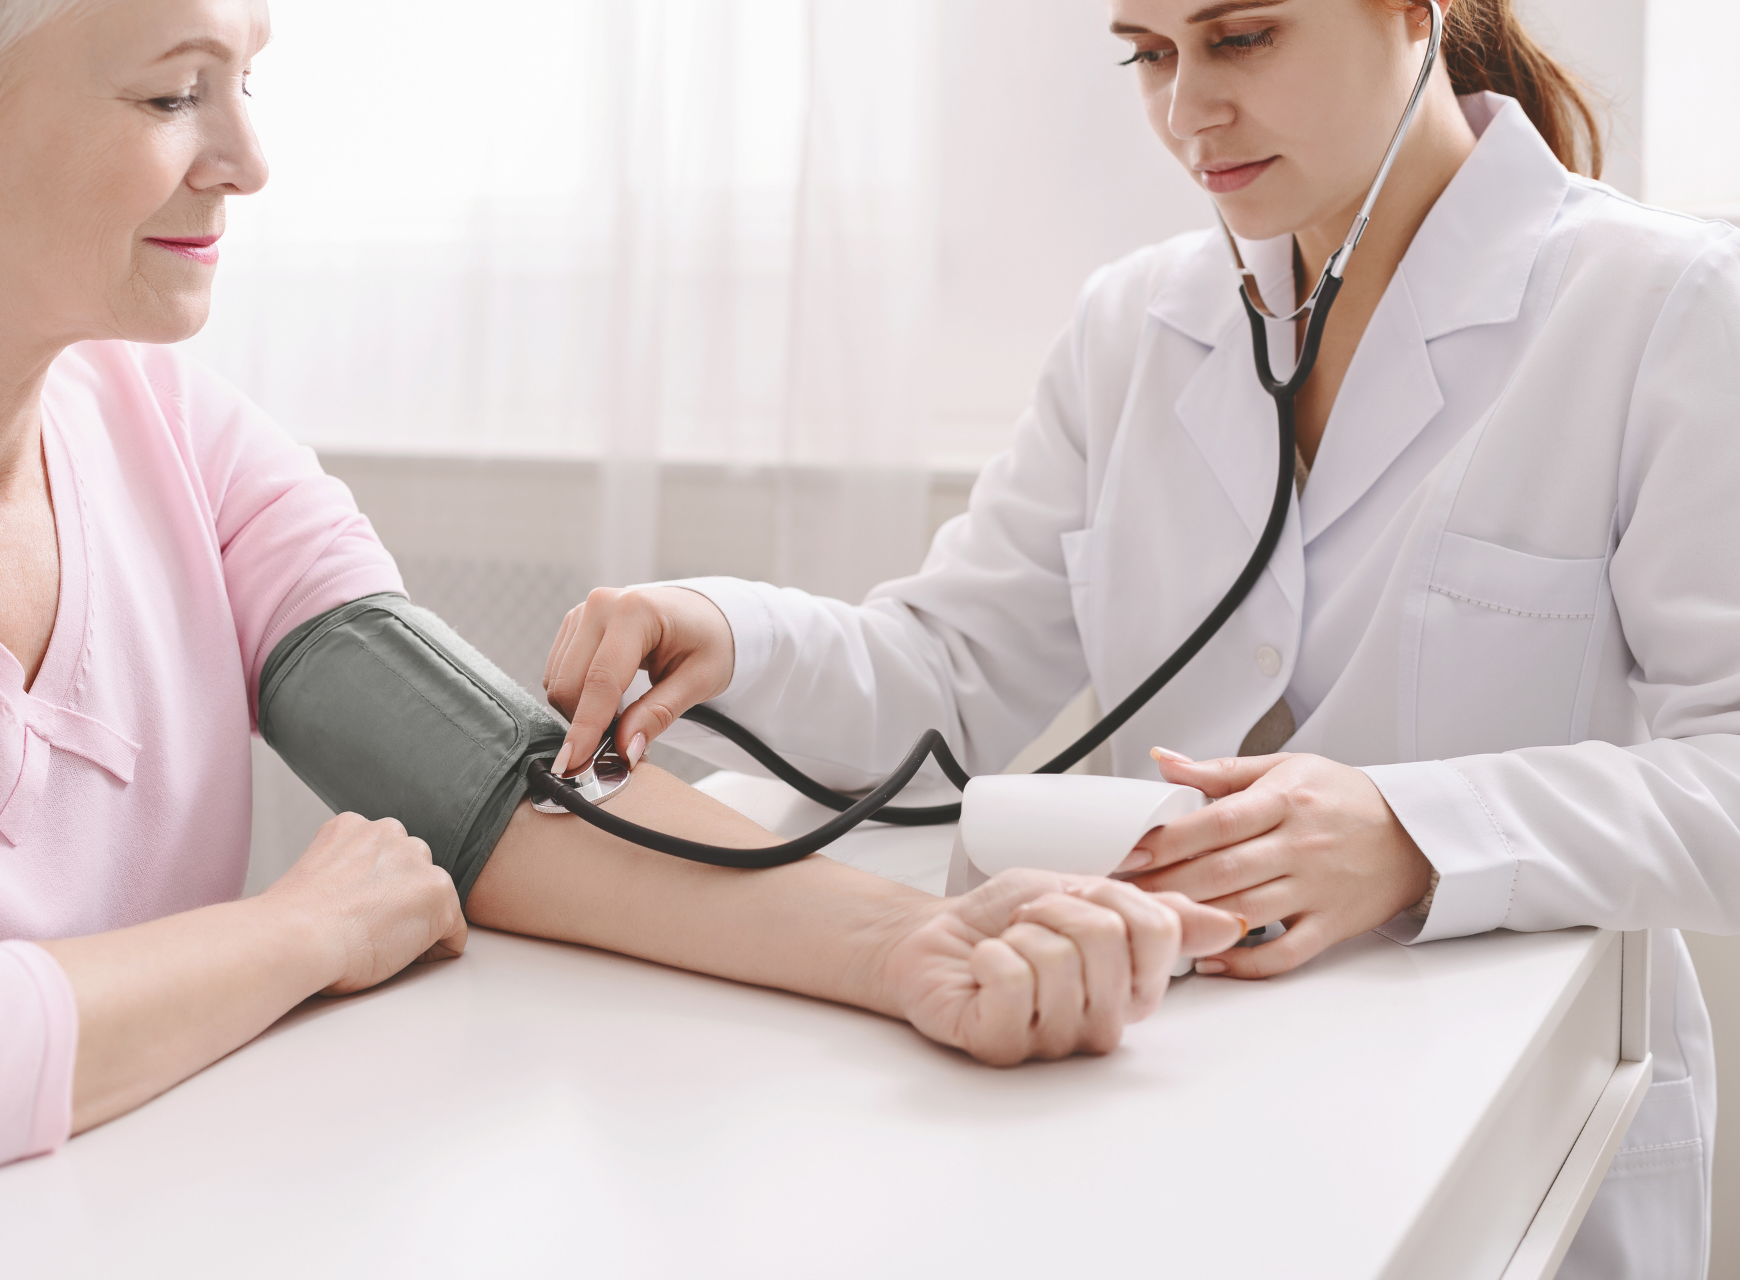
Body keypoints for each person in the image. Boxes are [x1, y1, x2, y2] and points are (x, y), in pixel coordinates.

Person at [0, 0, 1249, 1222]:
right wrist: (295, 933)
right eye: (173, 91)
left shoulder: (172, 434)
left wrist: (906, 947)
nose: (249, 161)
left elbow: (481, 787)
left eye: (248, 83)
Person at [544, 0, 1740, 1275]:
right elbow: (951, 676)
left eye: (1241, 39)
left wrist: (1410, 834)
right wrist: (731, 629)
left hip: (1511, 1120)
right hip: (1150, 1088)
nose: (1186, 114)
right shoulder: (1136, 325)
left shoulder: (1661, 307)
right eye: (1149, 54)